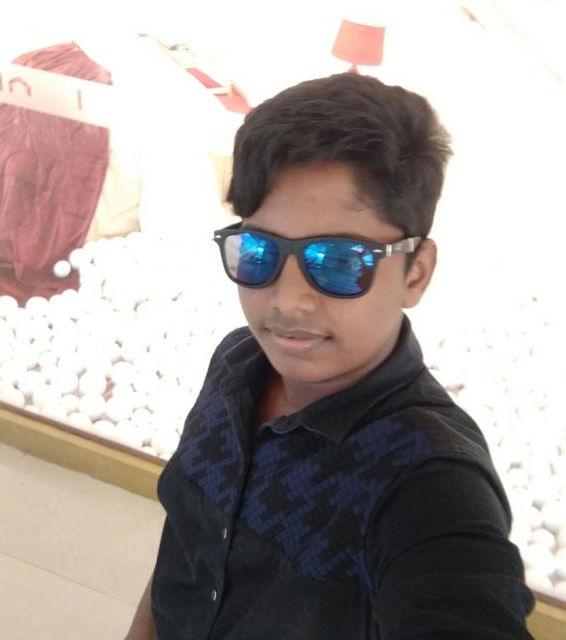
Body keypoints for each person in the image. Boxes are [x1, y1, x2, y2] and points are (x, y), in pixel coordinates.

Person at [126, 73, 535, 639]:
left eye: (340, 261)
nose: (288, 301)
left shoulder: (427, 481)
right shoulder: (237, 365)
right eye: (259, 250)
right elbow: (188, 549)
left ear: (416, 273)